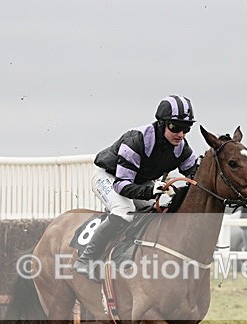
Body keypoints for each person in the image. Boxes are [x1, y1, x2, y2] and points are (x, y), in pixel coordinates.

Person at [73, 95, 199, 277]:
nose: (181, 134)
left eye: (186, 128)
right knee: (124, 211)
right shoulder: (137, 140)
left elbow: (195, 176)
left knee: (160, 210)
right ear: (162, 123)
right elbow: (122, 186)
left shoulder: (182, 148)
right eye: (175, 127)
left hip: (139, 181)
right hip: (110, 177)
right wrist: (149, 191)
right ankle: (86, 259)